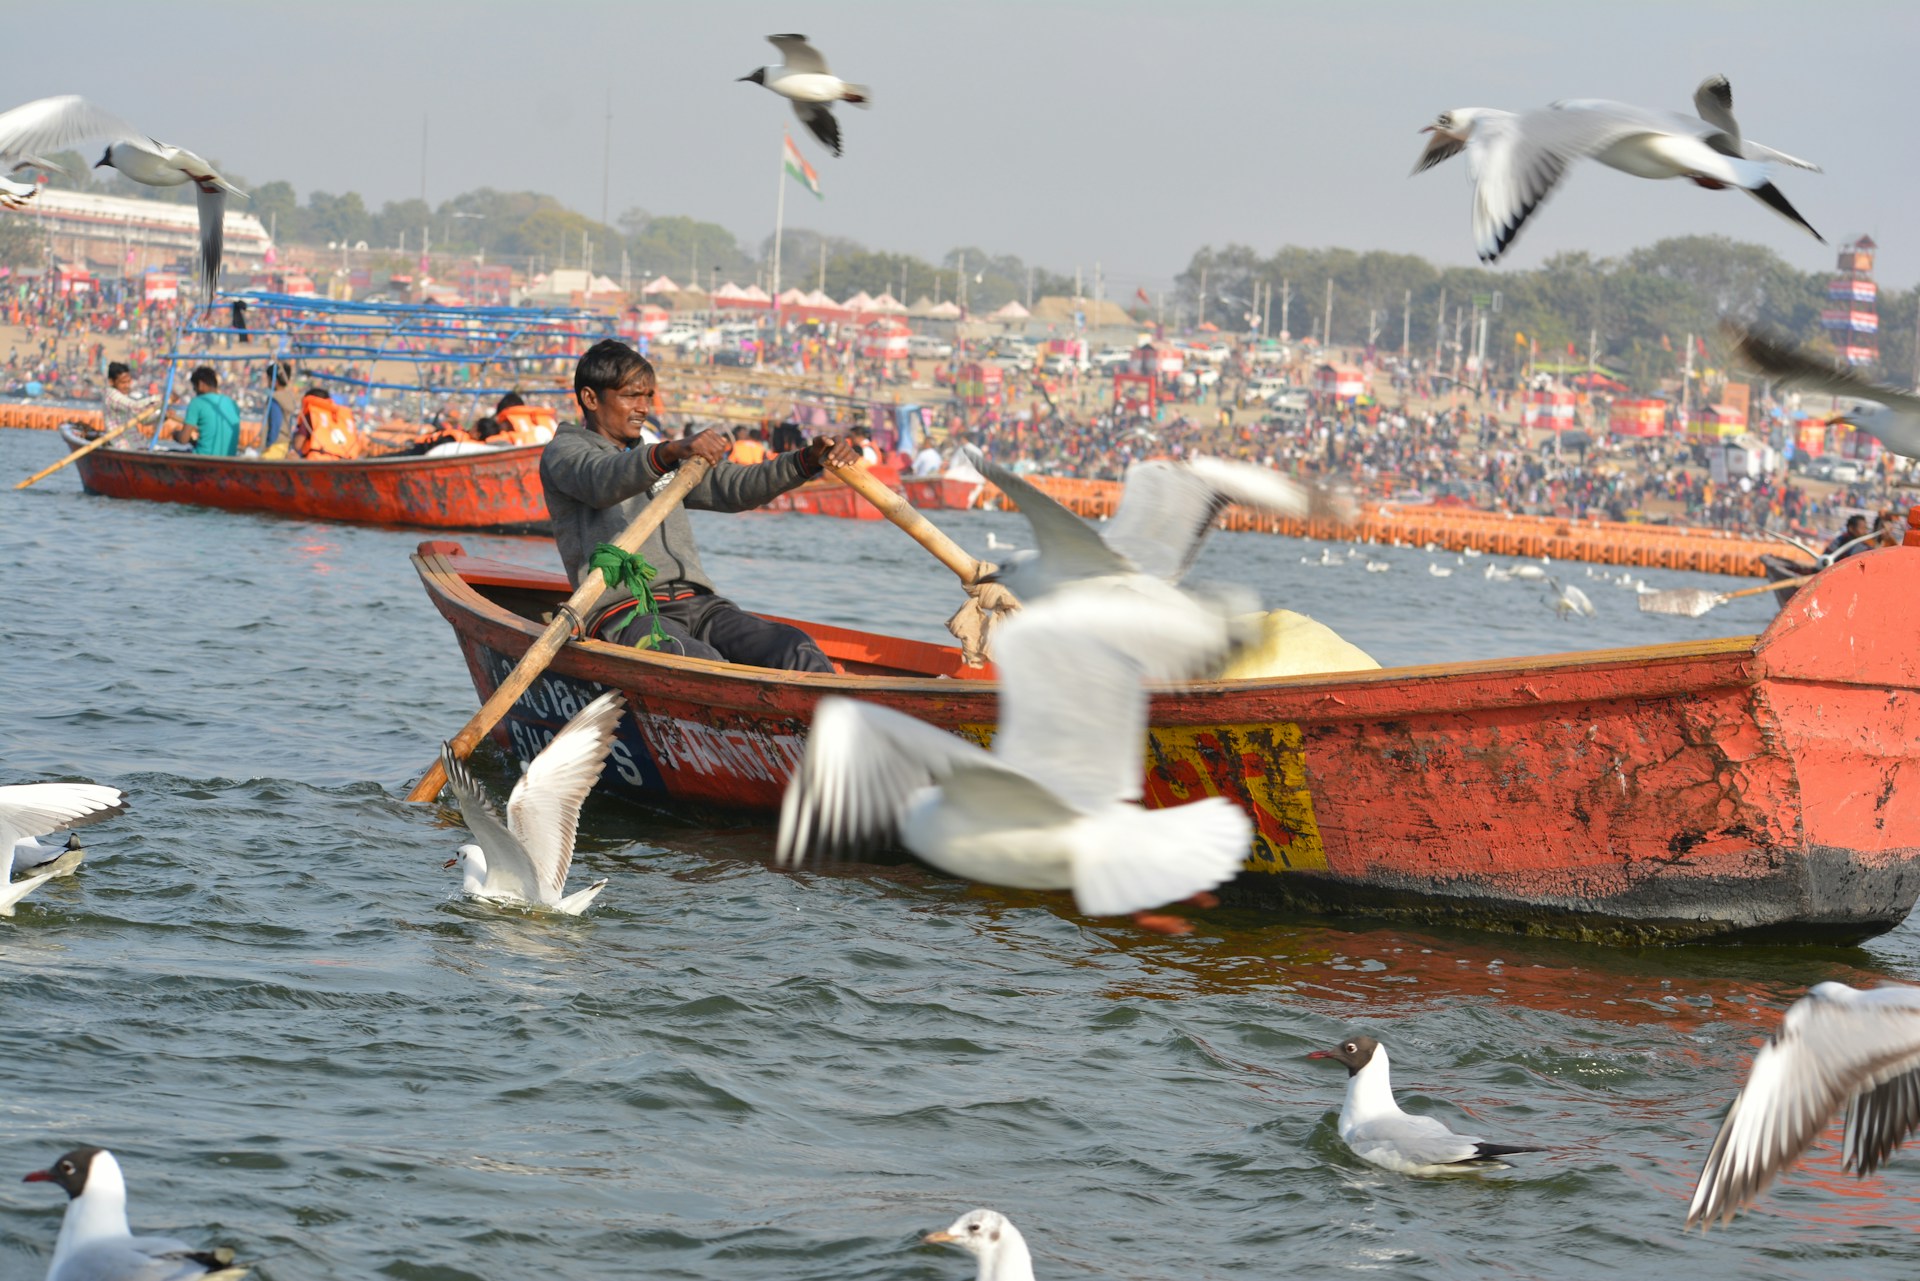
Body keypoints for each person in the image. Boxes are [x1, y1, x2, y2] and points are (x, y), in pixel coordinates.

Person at [540, 338, 858, 670]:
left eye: (648, 396)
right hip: (625, 614)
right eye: (631, 396)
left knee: (795, 647)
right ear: (591, 398)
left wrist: (806, 460)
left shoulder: (656, 453)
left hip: (699, 604)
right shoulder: (566, 451)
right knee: (699, 663)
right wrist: (667, 453)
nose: (644, 407)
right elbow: (600, 481)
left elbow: (734, 488)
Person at [175, 365, 240, 456]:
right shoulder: (232, 403)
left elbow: (183, 440)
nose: (195, 391)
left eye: (195, 388)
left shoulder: (197, 402)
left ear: (201, 385)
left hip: (203, 458)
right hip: (229, 458)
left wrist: (175, 434)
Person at [99, 361, 153, 446]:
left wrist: (163, 415)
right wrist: (161, 399)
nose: (127, 385)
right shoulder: (111, 395)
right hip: (122, 445)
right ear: (111, 382)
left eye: (129, 382)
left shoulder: (124, 397)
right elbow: (135, 406)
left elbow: (144, 420)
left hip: (137, 443)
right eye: (123, 382)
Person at [263, 363, 298, 451]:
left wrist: (268, 444)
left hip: (274, 447)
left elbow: (275, 424)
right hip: (285, 445)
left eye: (269, 379)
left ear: (275, 381)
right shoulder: (289, 398)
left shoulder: (275, 399)